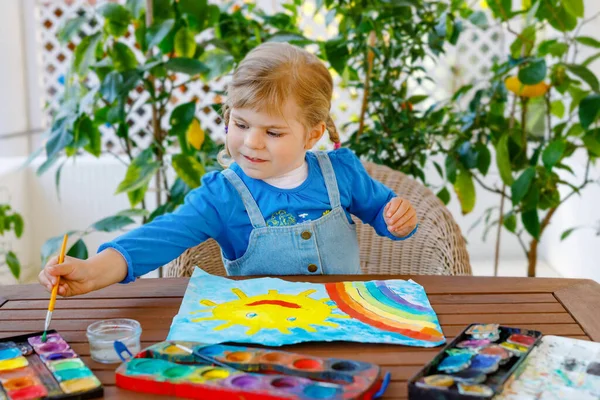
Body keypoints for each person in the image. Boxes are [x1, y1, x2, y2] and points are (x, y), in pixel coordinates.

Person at [39, 42, 418, 297]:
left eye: (272, 131)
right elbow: (160, 237)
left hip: (348, 322)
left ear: (311, 135)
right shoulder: (222, 197)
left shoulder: (342, 173)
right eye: (240, 124)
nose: (252, 142)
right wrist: (91, 270)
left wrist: (398, 218)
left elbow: (386, 214)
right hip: (261, 335)